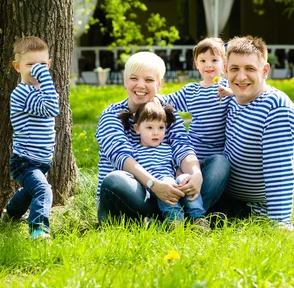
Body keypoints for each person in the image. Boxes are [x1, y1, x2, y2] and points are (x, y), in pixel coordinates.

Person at [95, 51, 230, 225]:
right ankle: (178, 217)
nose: (141, 85)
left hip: (170, 189)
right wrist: (155, 185)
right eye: (134, 78)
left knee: (219, 164)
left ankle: (176, 219)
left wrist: (196, 175)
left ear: (159, 84)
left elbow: (182, 147)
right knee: (114, 180)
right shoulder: (112, 115)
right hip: (137, 194)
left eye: (149, 80)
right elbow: (122, 157)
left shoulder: (167, 114)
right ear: (125, 81)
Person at [213, 36, 294, 228]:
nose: (241, 77)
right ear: (226, 70)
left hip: (246, 208)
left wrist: (280, 223)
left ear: (265, 70)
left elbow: (279, 170)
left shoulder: (276, 108)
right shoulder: (235, 98)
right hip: (222, 192)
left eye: (250, 69)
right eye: (234, 69)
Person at [1, 36, 59, 240]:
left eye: (42, 65)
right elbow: (52, 108)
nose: (37, 70)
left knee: (29, 192)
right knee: (43, 190)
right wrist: (45, 76)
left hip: (40, 160)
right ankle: (38, 229)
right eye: (31, 65)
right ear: (17, 67)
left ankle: (10, 214)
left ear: (50, 64)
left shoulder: (40, 91)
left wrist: (43, 80)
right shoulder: (23, 93)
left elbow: (51, 103)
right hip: (24, 161)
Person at [118, 102, 211, 230]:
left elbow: (176, 167)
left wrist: (182, 177)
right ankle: (175, 222)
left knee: (184, 178)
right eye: (149, 128)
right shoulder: (134, 152)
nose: (156, 133)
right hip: (151, 190)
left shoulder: (168, 149)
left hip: (172, 184)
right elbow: (134, 176)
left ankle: (198, 218)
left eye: (161, 128)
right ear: (137, 128)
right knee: (167, 181)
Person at [163, 37, 233, 161]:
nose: (208, 65)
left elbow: (245, 98)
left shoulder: (228, 87)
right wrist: (151, 97)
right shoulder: (190, 90)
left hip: (217, 156)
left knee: (220, 166)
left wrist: (232, 93)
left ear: (224, 63)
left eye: (214, 60)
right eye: (203, 61)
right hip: (192, 153)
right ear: (196, 64)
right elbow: (166, 100)